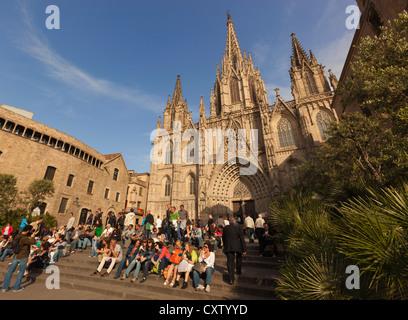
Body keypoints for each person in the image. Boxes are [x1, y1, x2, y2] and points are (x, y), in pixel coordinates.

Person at [2, 225, 37, 292]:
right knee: (21, 272)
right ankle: (16, 288)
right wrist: (32, 237)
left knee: (10, 271)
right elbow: (33, 242)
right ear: (27, 231)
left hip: (16, 255)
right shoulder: (24, 238)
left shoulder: (18, 235)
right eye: (30, 230)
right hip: (23, 256)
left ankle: (5, 287)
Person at [222, 217, 246, 285]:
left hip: (229, 247)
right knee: (239, 257)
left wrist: (225, 246)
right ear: (234, 223)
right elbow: (242, 239)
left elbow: (223, 238)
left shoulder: (225, 228)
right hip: (237, 247)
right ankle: (238, 270)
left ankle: (231, 279)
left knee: (230, 262)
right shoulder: (237, 228)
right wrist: (244, 249)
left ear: (229, 222)